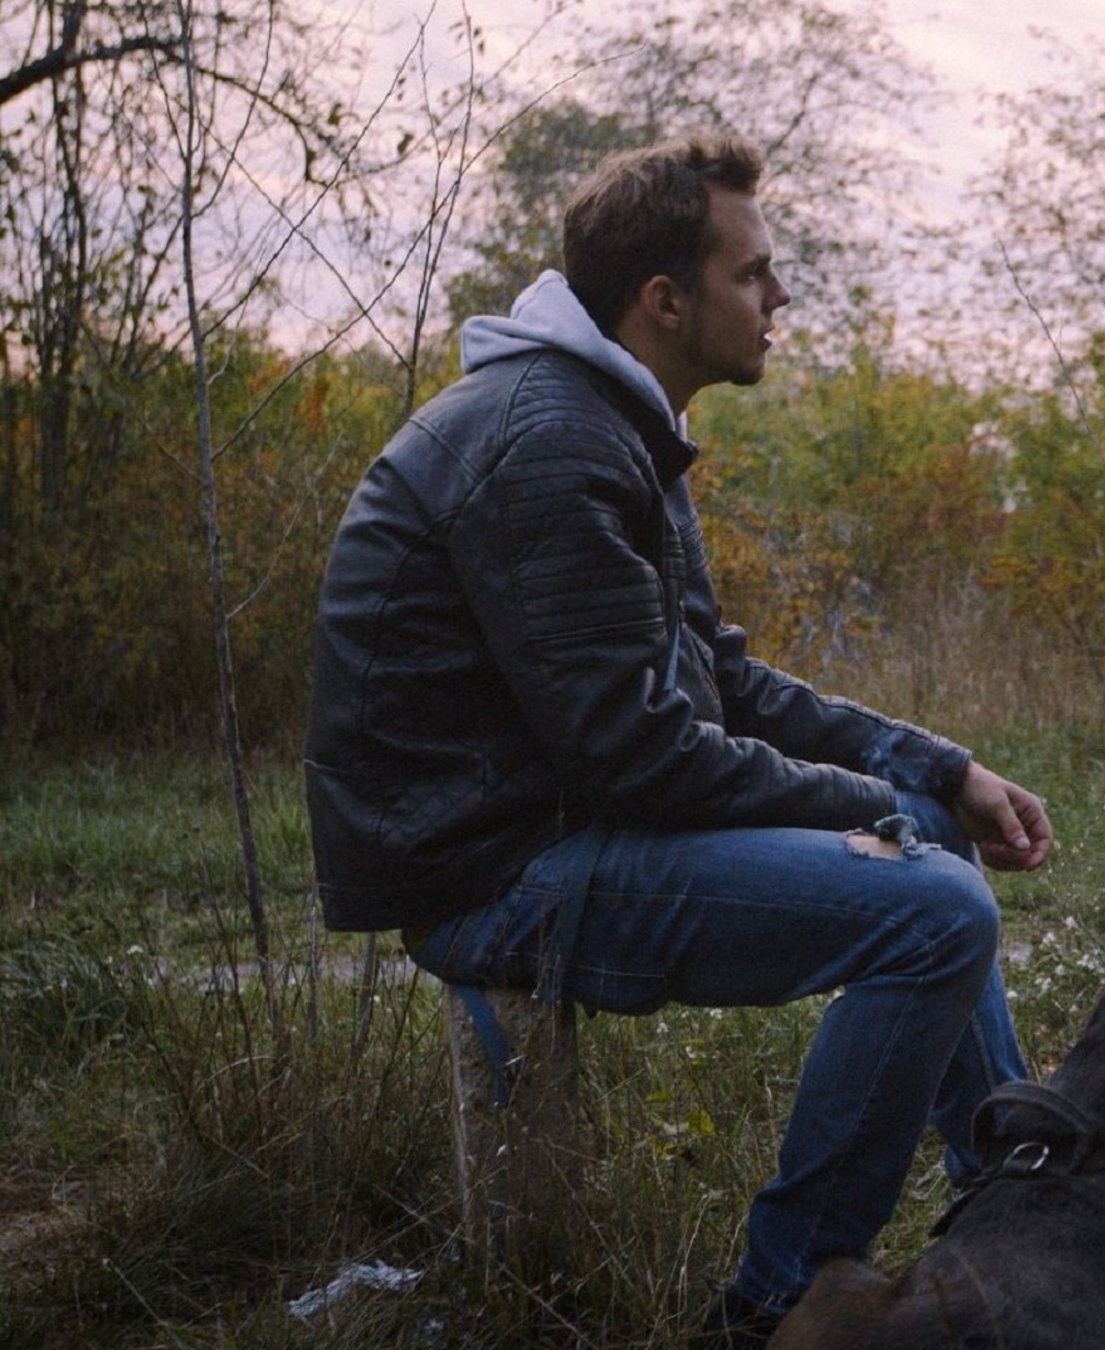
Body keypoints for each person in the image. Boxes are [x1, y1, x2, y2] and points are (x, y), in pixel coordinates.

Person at [303, 134, 1053, 1347]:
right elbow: (641, 756)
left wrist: (938, 770)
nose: (782, 297)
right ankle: (778, 1309)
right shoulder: (546, 443)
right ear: (663, 300)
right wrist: (880, 806)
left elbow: (725, 684)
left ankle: (1020, 1212)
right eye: (754, 274)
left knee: (933, 861)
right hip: (487, 872)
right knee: (935, 911)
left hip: (548, 828)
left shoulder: (609, 420)